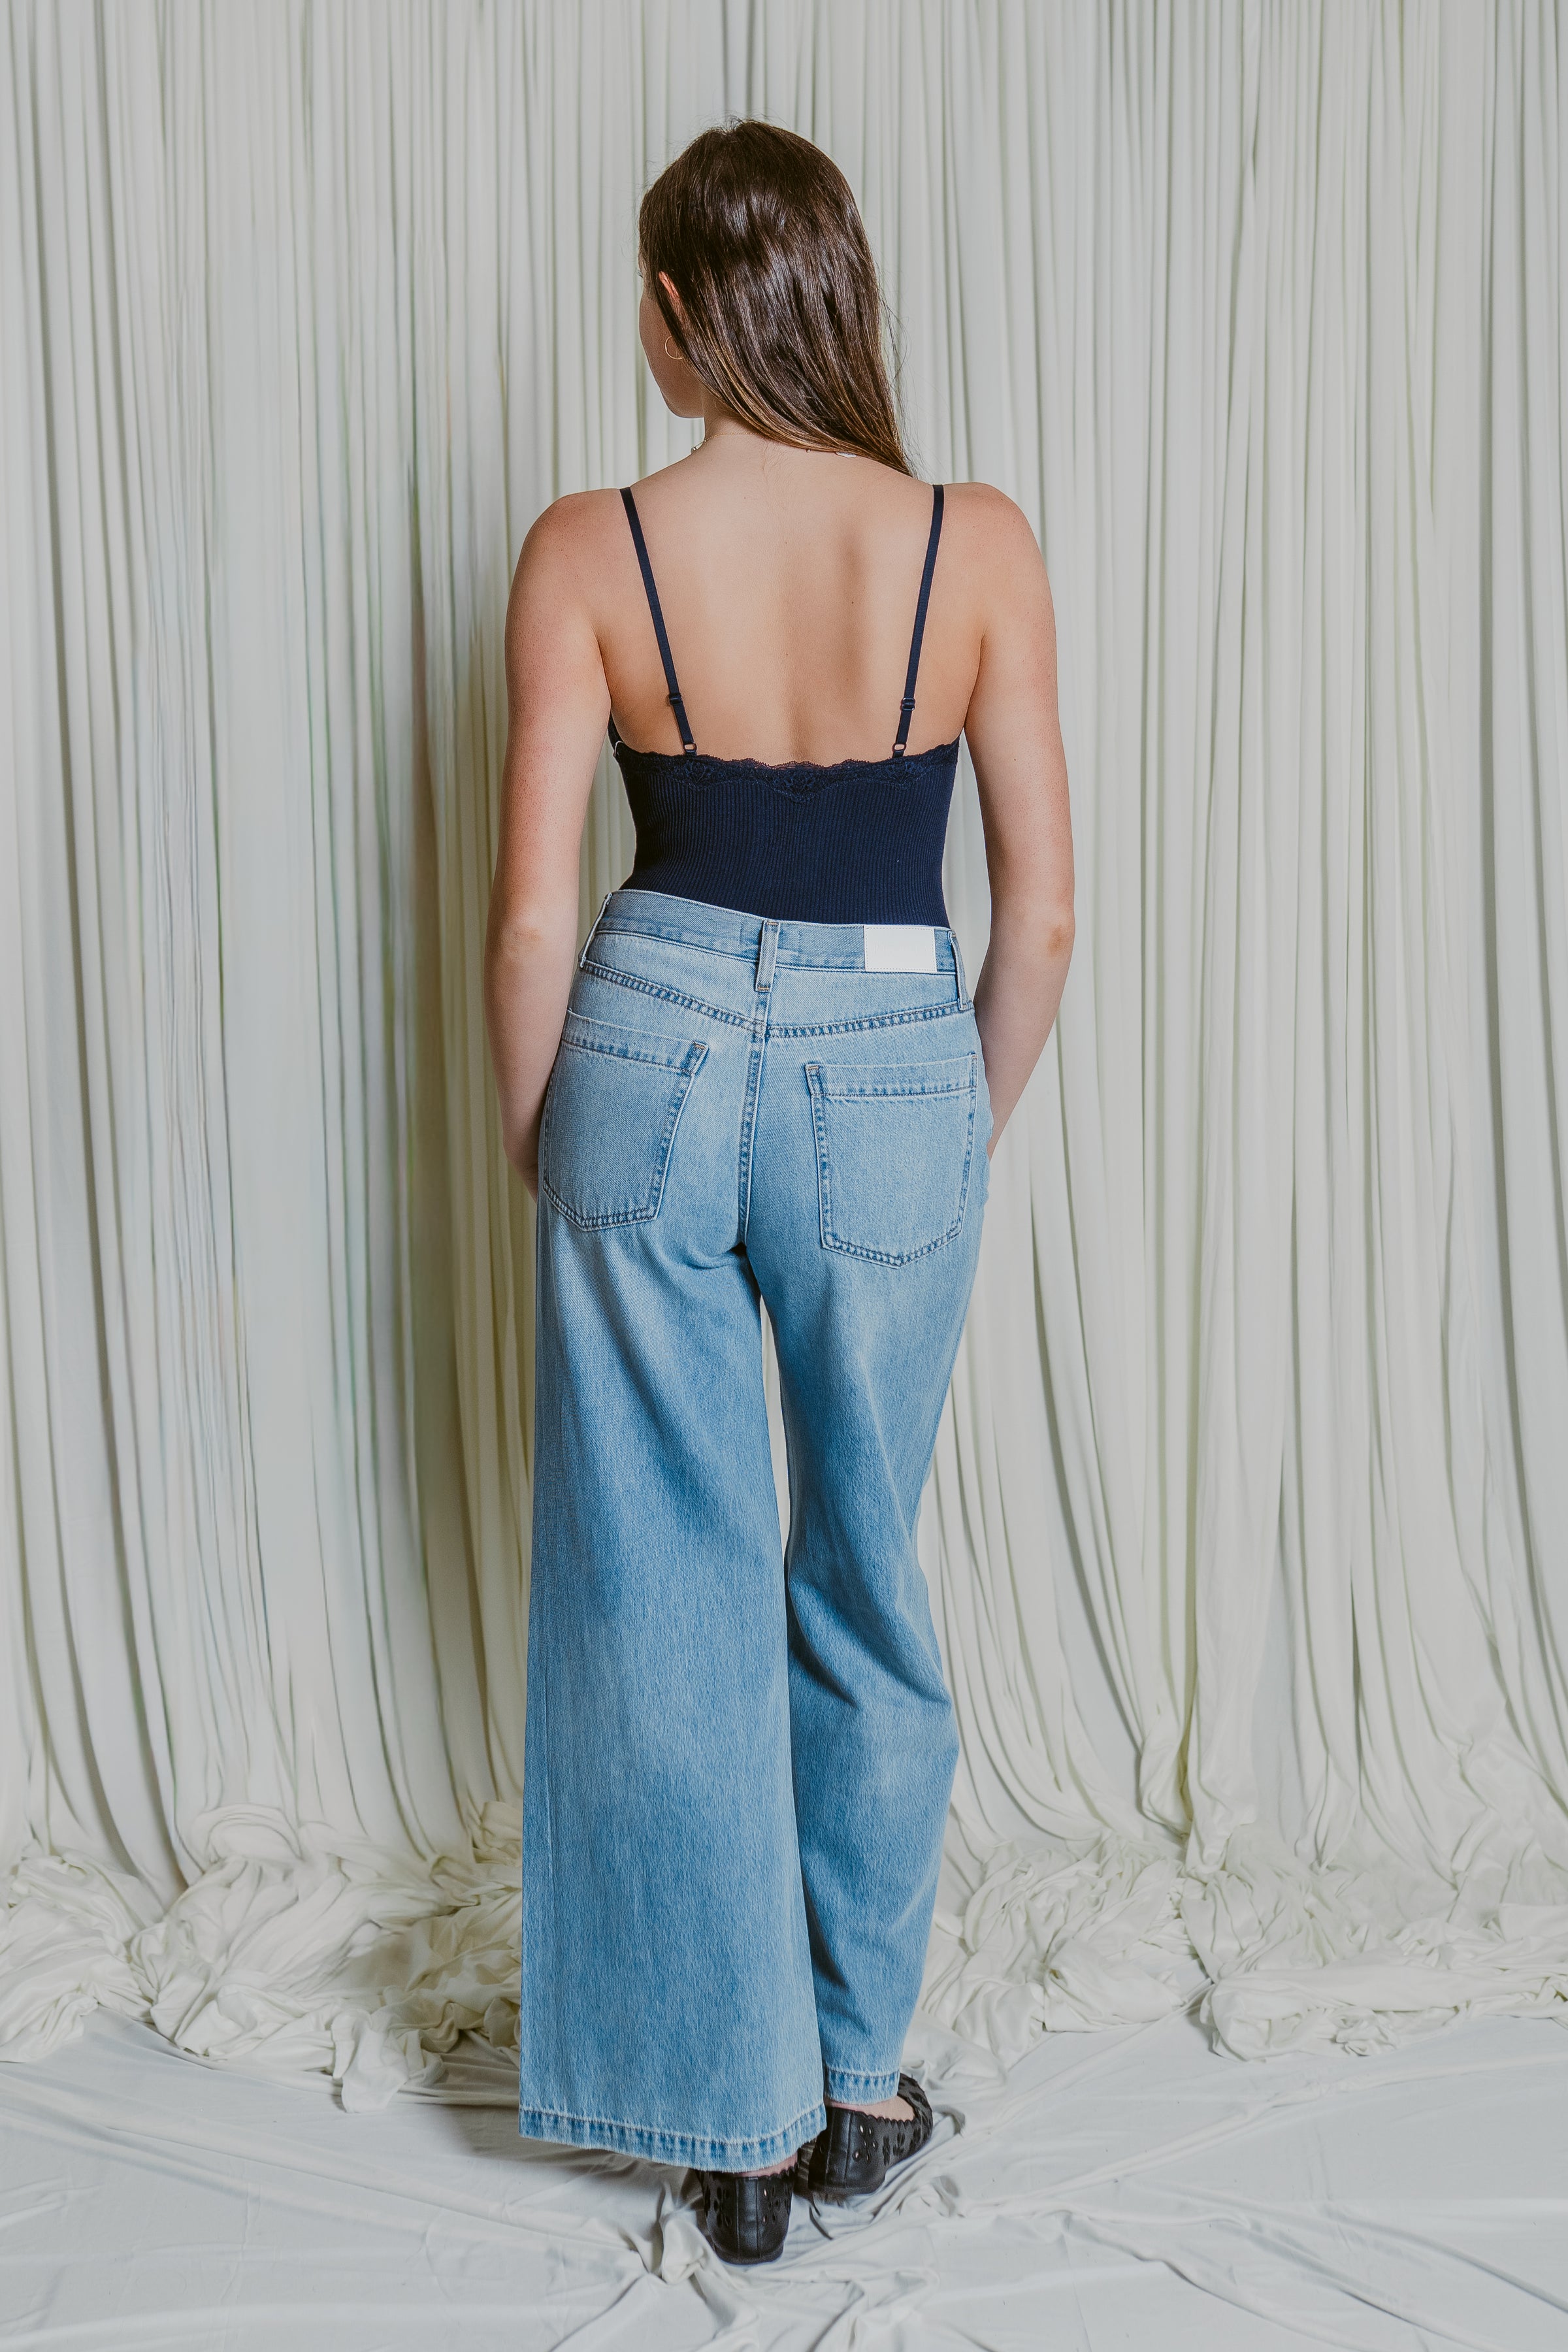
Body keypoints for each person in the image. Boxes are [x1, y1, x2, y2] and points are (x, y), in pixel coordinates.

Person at [483, 118, 1073, 2267]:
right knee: (863, 1571)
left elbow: (532, 920)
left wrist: (554, 1142)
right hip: (895, 1054)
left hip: (644, 1044)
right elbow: (1046, 915)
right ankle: (848, 2081)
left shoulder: (588, 547)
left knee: (668, 1585)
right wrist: (944, 1128)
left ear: (674, 315)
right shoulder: (971, 543)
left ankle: (718, 2125)